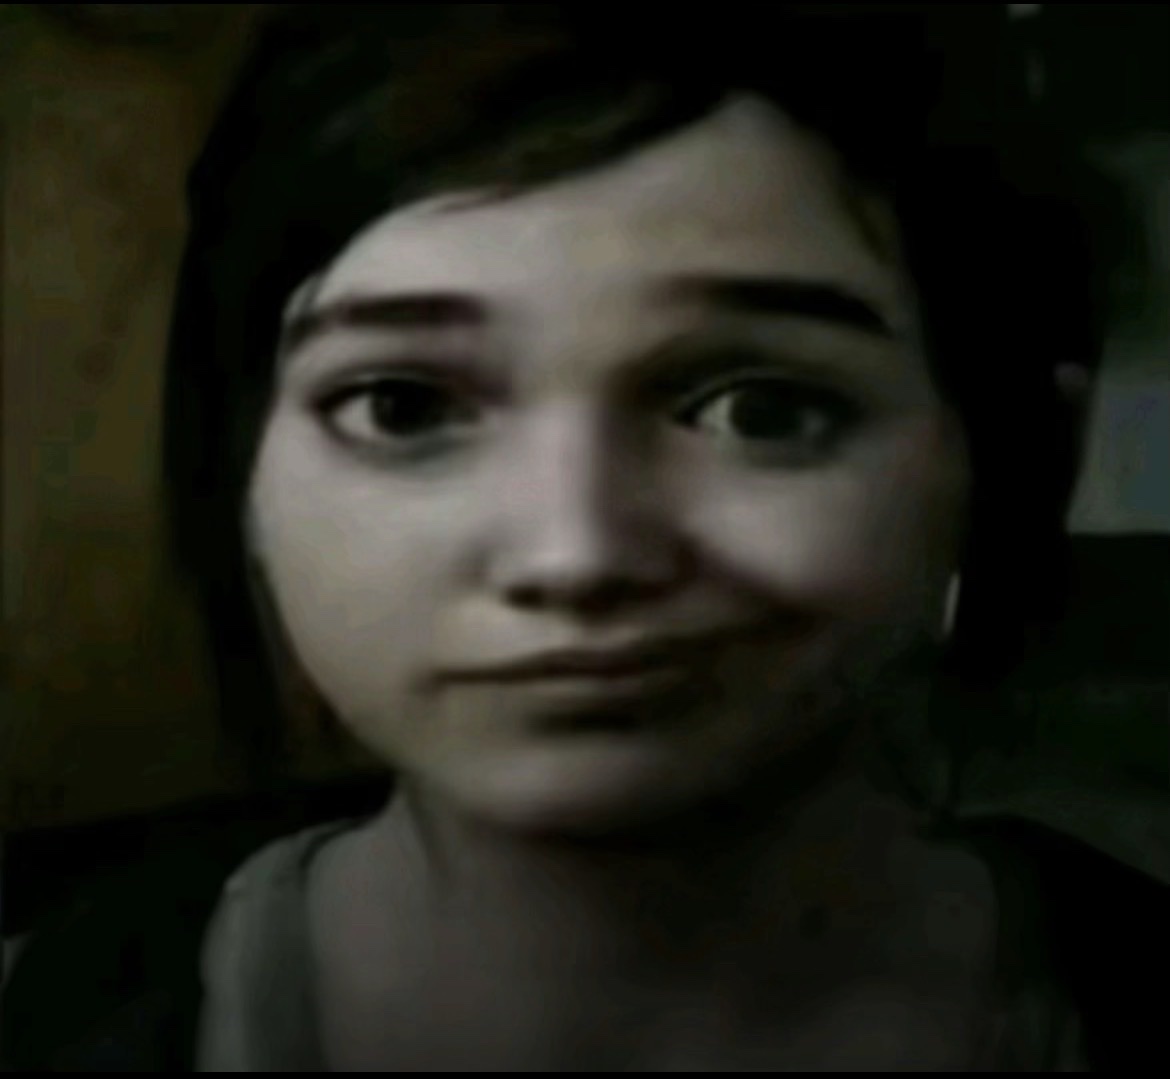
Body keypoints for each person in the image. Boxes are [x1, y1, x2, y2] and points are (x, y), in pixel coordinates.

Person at [3, 5, 1167, 1071]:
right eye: (403, 405)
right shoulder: (57, 1014)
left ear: (1014, 459)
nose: (576, 553)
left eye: (762, 410)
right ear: (245, 469)